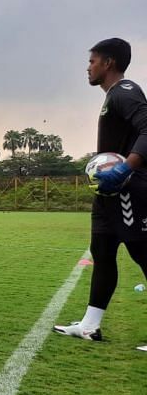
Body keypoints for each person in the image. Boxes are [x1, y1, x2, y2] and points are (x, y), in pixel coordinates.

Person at [54, 38, 147, 346]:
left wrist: (126, 167)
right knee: (102, 254)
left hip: (129, 191)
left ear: (108, 63)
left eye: (92, 61)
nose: (88, 67)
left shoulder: (125, 92)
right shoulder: (110, 98)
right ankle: (89, 326)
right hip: (107, 194)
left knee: (143, 255)